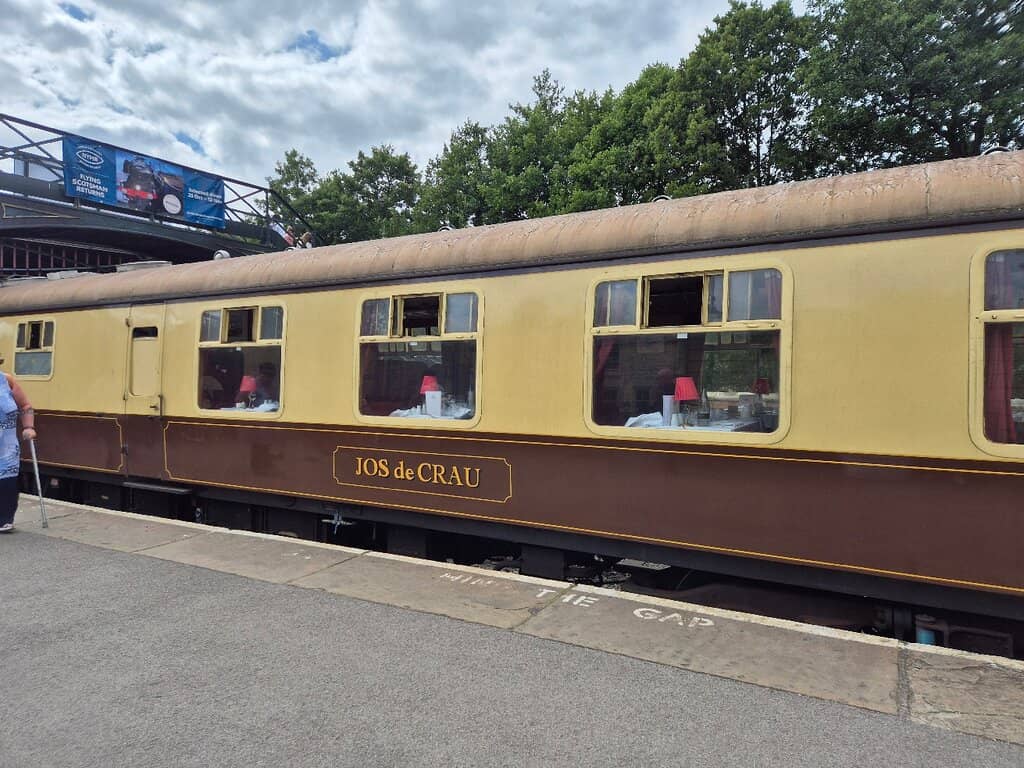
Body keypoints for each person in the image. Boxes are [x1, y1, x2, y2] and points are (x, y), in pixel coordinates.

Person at [0, 369, 37, 533]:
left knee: (7, 483)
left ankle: (5, 520)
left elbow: (25, 406)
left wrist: (28, 427)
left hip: (6, 446)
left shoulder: (6, 381)